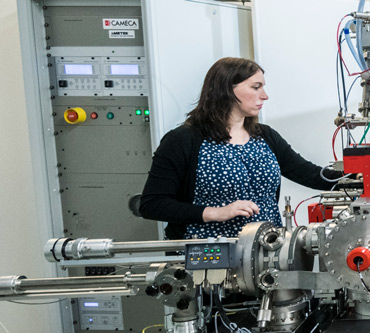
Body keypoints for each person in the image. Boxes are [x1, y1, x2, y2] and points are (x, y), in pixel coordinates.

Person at [139, 57, 343, 239]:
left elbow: (311, 175)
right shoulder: (183, 140)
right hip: (206, 256)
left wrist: (359, 178)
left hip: (266, 253)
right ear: (227, 89)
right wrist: (215, 212)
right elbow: (152, 204)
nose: (265, 96)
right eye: (256, 87)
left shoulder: (264, 135)